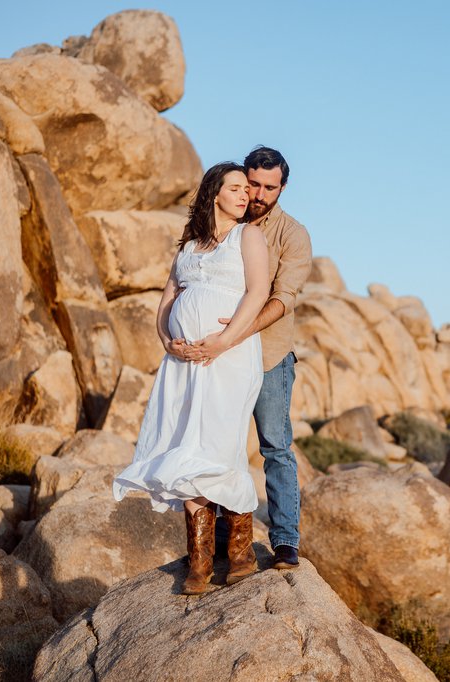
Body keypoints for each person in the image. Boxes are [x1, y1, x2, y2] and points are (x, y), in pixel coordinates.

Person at [113, 162, 270, 595]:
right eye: (236, 188)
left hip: (229, 356)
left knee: (220, 442)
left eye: (247, 190)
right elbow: (167, 300)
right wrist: (167, 339)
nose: (245, 195)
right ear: (213, 193)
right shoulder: (190, 245)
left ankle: (240, 552)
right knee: (183, 442)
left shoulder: (248, 236)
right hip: (182, 363)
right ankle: (199, 563)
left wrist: (222, 341)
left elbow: (258, 292)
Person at [190, 147, 312, 569]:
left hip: (269, 355)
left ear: (282, 187)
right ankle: (224, 539)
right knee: (221, 445)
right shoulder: (224, 224)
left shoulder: (292, 234)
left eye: (269, 187)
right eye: (253, 183)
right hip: (219, 359)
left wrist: (234, 333)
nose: (258, 194)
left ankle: (284, 542)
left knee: (275, 447)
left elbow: (283, 299)